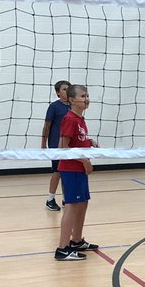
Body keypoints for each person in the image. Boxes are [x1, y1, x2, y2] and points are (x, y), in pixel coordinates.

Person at [55, 84, 99, 261]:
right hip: (71, 169)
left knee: (83, 204)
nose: (86, 99)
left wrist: (89, 143)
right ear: (72, 100)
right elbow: (64, 147)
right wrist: (84, 160)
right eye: (82, 96)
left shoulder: (80, 119)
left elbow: (77, 141)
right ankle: (62, 249)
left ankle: (77, 241)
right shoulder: (70, 119)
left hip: (78, 169)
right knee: (72, 206)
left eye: (87, 95)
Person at [40, 78, 70, 210]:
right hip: (55, 145)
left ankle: (65, 199)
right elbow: (47, 125)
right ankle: (50, 199)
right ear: (58, 93)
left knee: (67, 172)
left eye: (69, 88)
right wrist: (43, 143)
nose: (67, 91)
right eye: (64, 89)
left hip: (69, 145)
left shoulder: (73, 106)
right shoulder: (54, 106)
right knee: (57, 172)